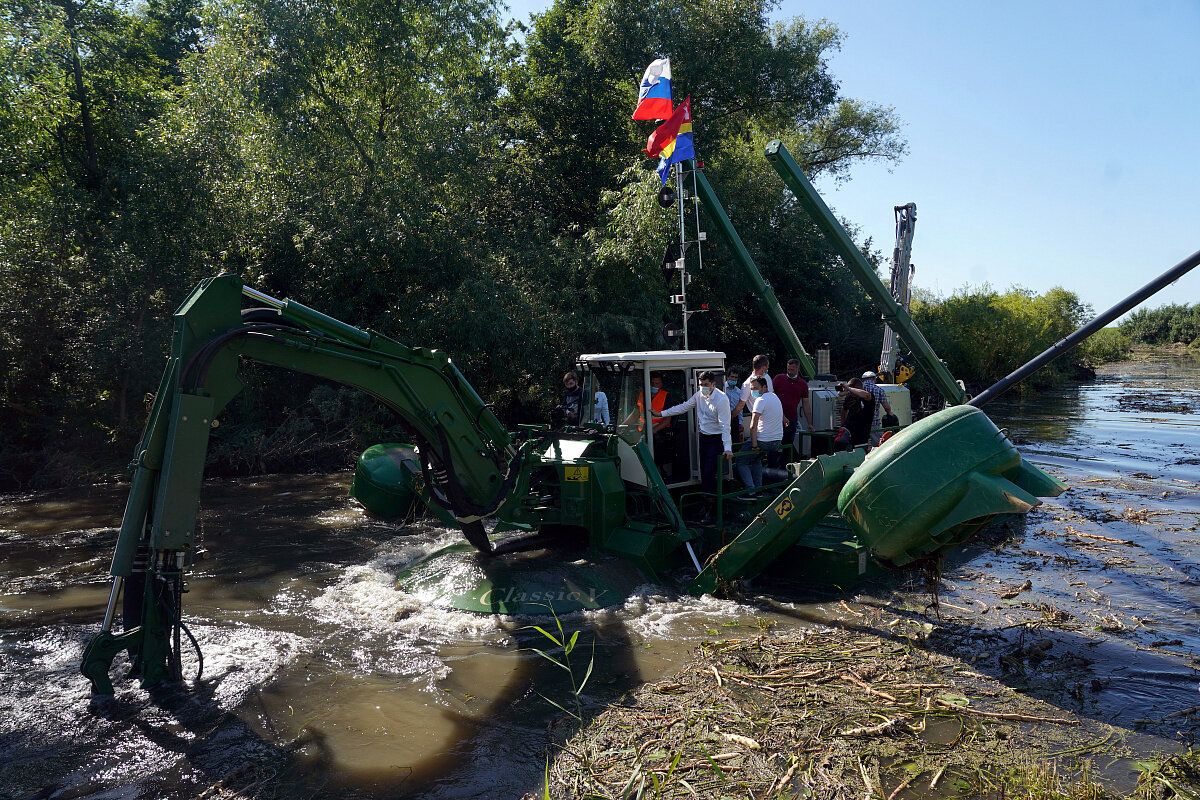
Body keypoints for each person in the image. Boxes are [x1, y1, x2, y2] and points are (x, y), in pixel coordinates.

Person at [658, 370, 733, 522]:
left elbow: (725, 425)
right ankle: (704, 506)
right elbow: (684, 407)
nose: (703, 387)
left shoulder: (721, 399)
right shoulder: (699, 395)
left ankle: (710, 511)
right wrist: (661, 414)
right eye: (700, 385)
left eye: (706, 385)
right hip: (703, 437)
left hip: (716, 439)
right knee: (703, 473)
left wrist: (728, 448)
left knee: (708, 474)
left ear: (713, 384)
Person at [737, 376, 784, 497]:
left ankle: (750, 490)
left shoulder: (761, 400)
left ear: (764, 387)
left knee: (740, 461)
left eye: (756, 388)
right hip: (777, 441)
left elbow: (753, 425)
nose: (753, 391)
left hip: (764, 441)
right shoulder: (775, 397)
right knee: (756, 459)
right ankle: (758, 489)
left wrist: (754, 446)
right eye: (752, 389)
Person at [773, 357, 811, 462]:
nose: (789, 372)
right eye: (788, 369)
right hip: (776, 417)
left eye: (792, 370)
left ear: (798, 369)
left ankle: (786, 467)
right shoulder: (778, 379)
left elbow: (806, 404)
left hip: (791, 419)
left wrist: (809, 422)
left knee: (788, 444)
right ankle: (774, 467)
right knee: (775, 443)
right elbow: (770, 395)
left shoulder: (803, 384)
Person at [732, 354, 773, 418]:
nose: (767, 369)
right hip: (759, 419)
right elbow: (741, 405)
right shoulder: (747, 384)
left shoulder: (767, 377)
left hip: (771, 417)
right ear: (763, 368)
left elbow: (773, 395)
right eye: (767, 367)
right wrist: (729, 420)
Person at [838, 377, 875, 448]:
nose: (851, 393)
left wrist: (849, 389)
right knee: (840, 444)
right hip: (849, 430)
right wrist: (842, 425)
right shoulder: (850, 397)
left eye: (852, 391)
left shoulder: (867, 396)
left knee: (860, 451)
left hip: (862, 432)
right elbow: (844, 409)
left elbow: (866, 395)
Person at [860, 371, 893, 445]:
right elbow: (887, 407)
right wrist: (891, 414)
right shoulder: (879, 390)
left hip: (859, 423)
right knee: (879, 445)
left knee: (860, 445)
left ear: (862, 380)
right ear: (874, 379)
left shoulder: (857, 389)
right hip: (873, 422)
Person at [725, 367, 743, 443]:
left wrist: (740, 423)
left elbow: (740, 409)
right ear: (727, 377)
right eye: (732, 377)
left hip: (734, 420)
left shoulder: (739, 392)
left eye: (735, 377)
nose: (733, 379)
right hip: (724, 419)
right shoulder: (722, 389)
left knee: (735, 442)